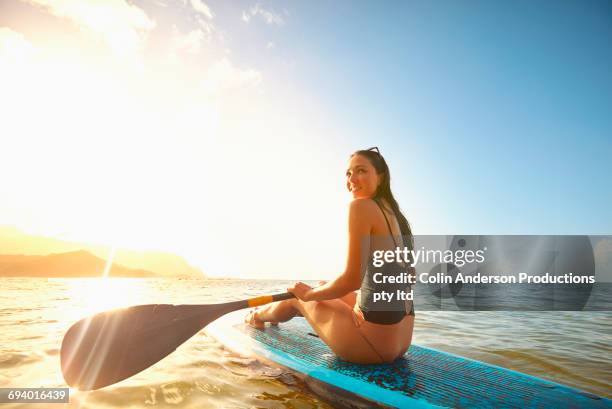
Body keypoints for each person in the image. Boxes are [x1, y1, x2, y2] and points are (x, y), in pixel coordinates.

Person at [246, 147, 415, 364]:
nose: (352, 178)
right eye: (348, 173)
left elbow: (351, 280)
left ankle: (256, 317)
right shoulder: (398, 219)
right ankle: (283, 313)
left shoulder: (361, 206)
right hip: (401, 342)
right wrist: (320, 292)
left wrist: (308, 296)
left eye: (361, 170)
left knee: (297, 297)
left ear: (380, 178)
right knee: (322, 285)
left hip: (371, 349)